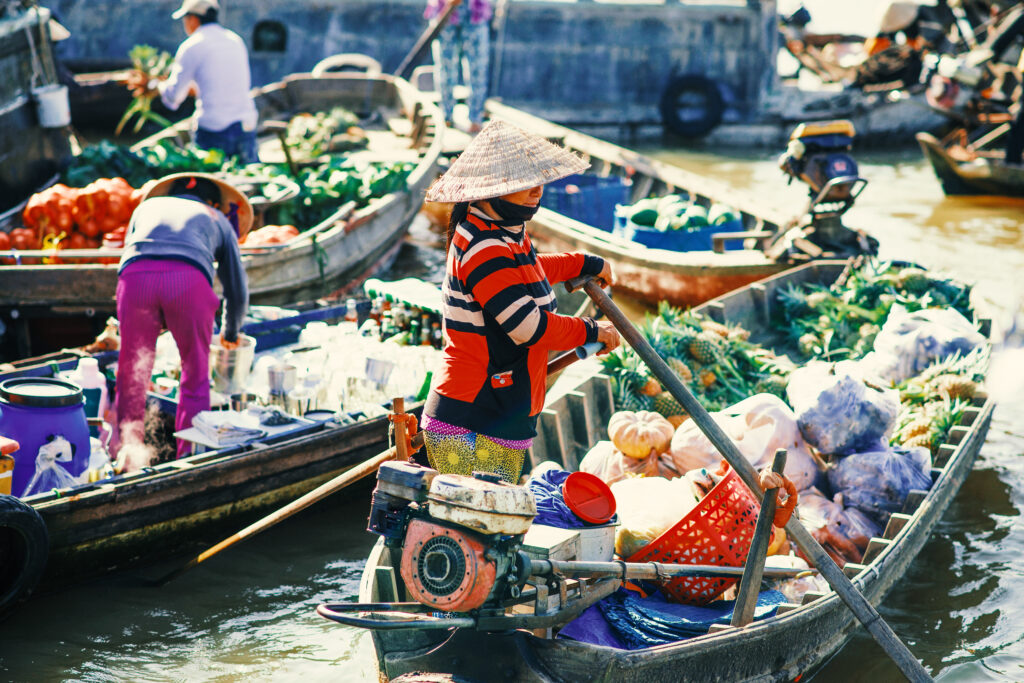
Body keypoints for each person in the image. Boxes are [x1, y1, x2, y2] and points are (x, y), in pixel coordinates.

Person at [420, 120, 621, 483]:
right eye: (521, 183)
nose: (537, 189)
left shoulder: (502, 234)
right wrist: (593, 330)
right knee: (475, 523)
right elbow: (529, 327)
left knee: (487, 521)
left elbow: (524, 273)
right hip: (470, 416)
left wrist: (583, 263)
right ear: (491, 190)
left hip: (500, 411)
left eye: (538, 178)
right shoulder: (484, 246)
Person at [114, 173, 251, 466]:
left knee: (132, 372)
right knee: (195, 375)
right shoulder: (217, 217)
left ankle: (126, 455)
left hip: (135, 279)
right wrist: (230, 331)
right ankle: (187, 459)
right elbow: (237, 292)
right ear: (214, 201)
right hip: (188, 282)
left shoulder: (145, 208)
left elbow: (132, 253)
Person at [128, 0, 259, 163]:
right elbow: (218, 84)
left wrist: (154, 85)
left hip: (214, 130)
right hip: (246, 124)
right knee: (248, 179)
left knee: (209, 185)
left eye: (185, 19)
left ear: (193, 19)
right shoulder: (235, 40)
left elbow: (173, 97)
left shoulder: (192, 46)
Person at [425, 0, 491, 133]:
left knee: (477, 69)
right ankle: (446, 115)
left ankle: (475, 118)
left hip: (474, 12)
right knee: (445, 68)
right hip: (444, 11)